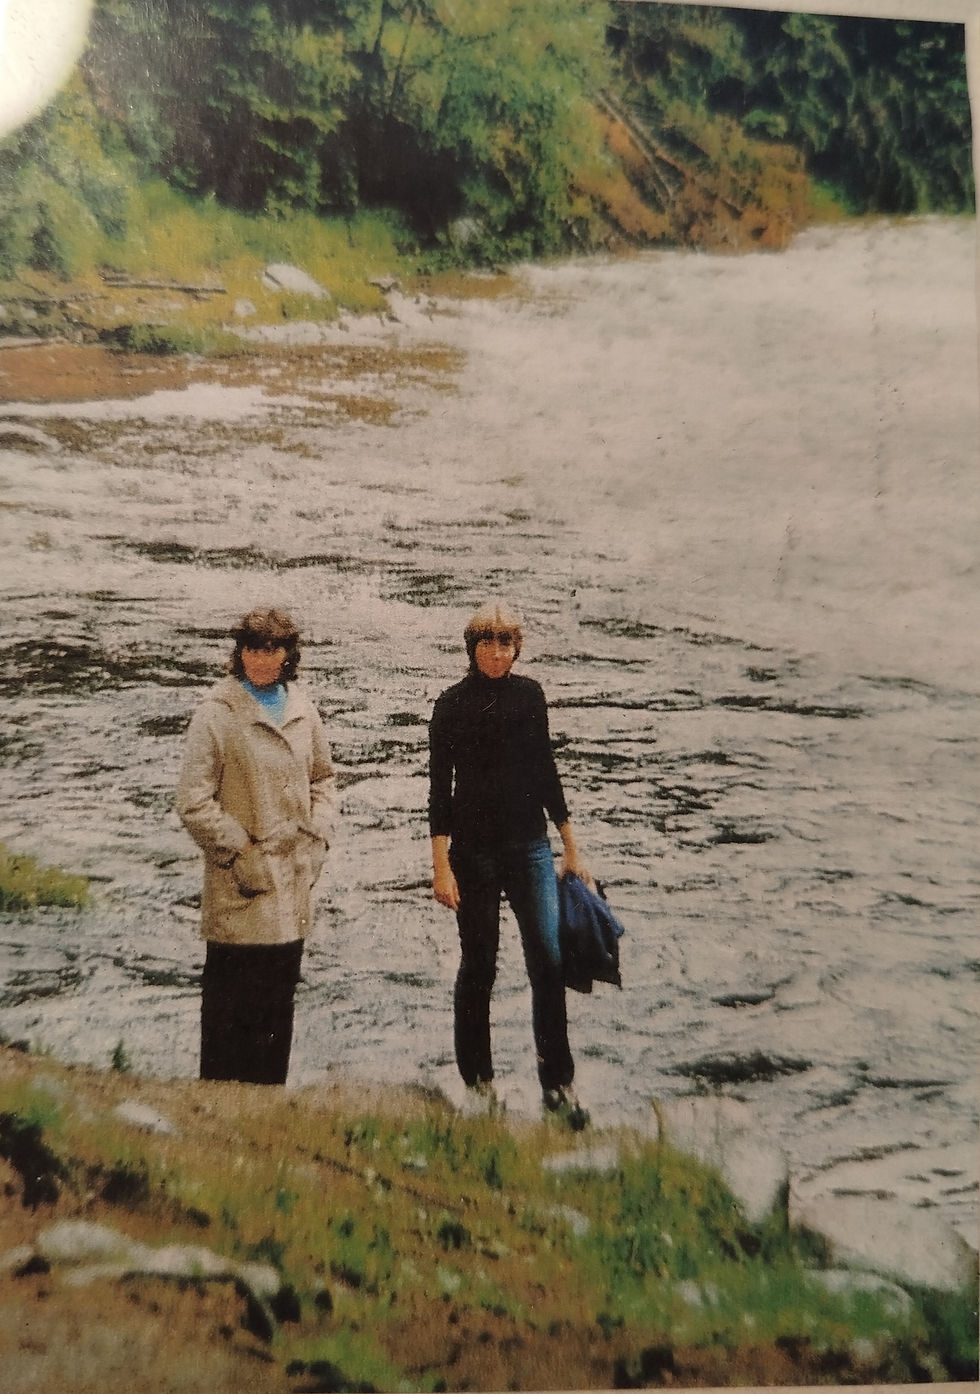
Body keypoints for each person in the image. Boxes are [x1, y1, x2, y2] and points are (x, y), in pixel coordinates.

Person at [428, 600, 591, 1127]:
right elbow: (439, 793)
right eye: (487, 642)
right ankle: (478, 1085)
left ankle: (558, 1085)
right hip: (471, 855)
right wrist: (440, 867)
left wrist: (570, 847)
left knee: (547, 959)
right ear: (471, 647)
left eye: (505, 643)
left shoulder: (530, 697)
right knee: (479, 966)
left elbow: (546, 769)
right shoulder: (449, 705)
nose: (496, 653)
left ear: (517, 648)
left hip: (529, 848)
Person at [176, 606, 335, 1085]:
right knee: (229, 1011)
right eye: (252, 649)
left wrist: (319, 837)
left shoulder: (303, 710)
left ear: (288, 655)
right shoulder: (216, 715)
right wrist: (238, 850)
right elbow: (192, 802)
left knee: (278, 1005)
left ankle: (267, 1113)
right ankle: (218, 1117)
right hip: (240, 890)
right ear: (238, 652)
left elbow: (324, 779)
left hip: (292, 884)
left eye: (272, 650)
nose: (261, 659)